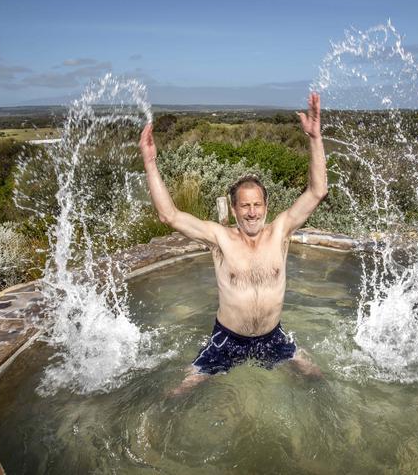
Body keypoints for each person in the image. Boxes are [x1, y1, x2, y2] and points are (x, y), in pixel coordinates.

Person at [139, 92, 328, 395]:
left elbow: (317, 191)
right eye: (244, 206)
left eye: (256, 205)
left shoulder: (280, 232)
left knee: (317, 378)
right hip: (227, 340)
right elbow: (169, 215)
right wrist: (150, 162)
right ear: (235, 208)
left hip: (273, 337)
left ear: (266, 205)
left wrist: (314, 138)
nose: (251, 212)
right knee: (178, 393)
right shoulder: (220, 238)